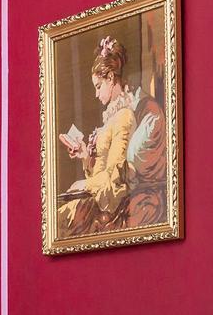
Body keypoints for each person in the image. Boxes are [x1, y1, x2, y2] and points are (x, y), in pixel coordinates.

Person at [57, 35, 167, 239]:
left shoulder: (124, 117)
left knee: (63, 219)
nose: (96, 94)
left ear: (110, 78)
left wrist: (84, 184)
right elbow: (101, 171)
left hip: (109, 204)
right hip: (98, 196)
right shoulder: (112, 116)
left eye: (98, 86)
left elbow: (115, 179)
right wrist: (85, 156)